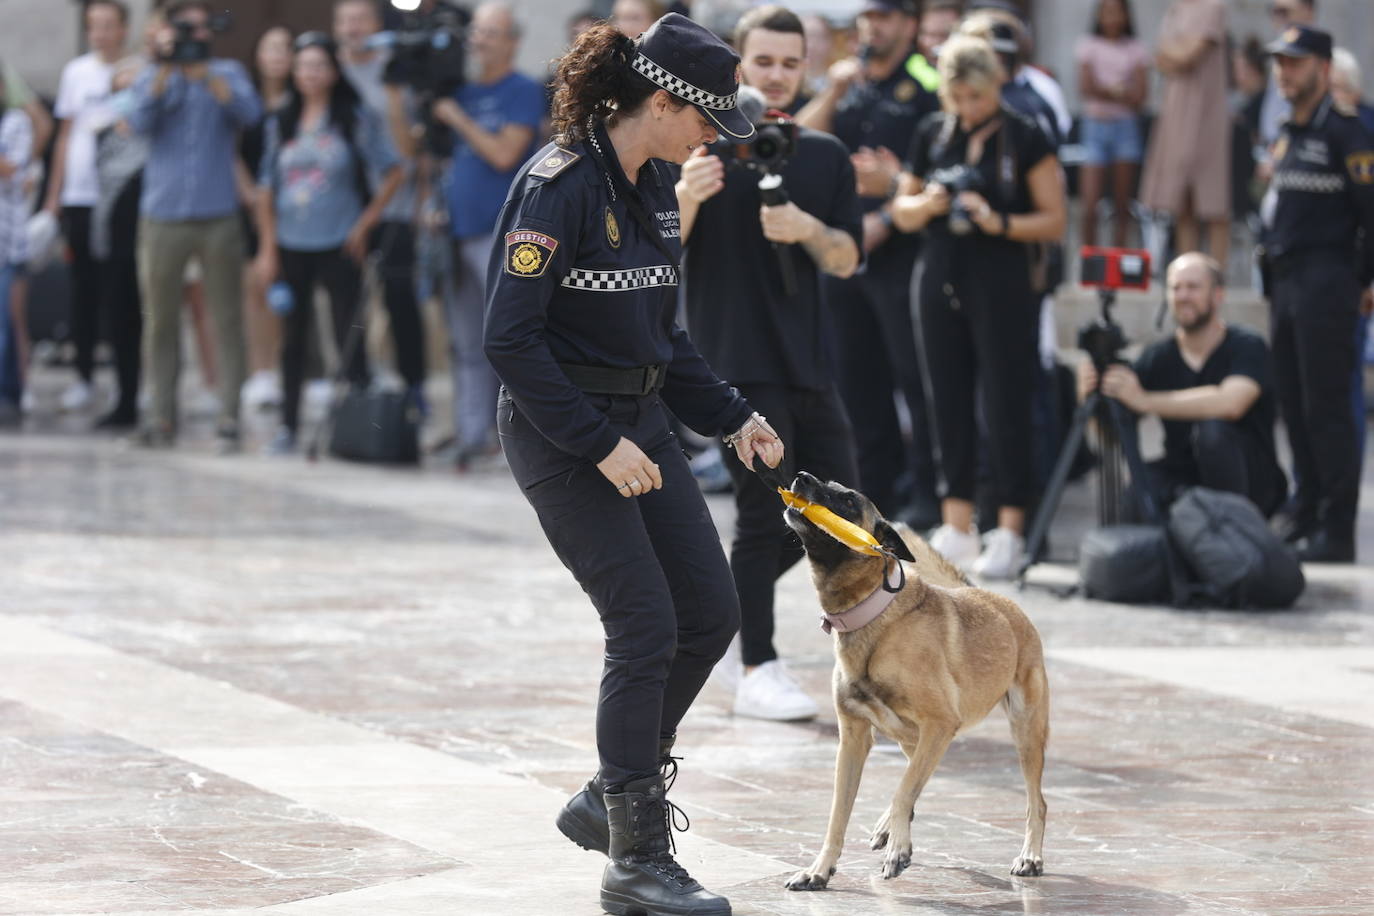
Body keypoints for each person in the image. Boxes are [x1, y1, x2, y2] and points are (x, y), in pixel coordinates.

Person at [485, 15, 782, 915]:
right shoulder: (557, 187)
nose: (711, 140)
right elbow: (508, 339)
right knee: (646, 623)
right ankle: (636, 859)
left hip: (640, 420)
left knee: (711, 611)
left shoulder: (657, 185)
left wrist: (733, 418)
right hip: (560, 430)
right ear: (661, 102)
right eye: (704, 120)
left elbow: (662, 334)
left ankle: (607, 795)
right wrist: (596, 443)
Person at [677, 5, 862, 722]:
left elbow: (847, 259)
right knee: (764, 515)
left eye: (791, 63)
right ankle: (757, 664)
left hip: (810, 361)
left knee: (843, 512)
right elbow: (658, 252)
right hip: (732, 365)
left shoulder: (824, 155)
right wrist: (687, 198)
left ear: (806, 65)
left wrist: (809, 229)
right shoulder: (700, 148)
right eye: (764, 63)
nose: (778, 76)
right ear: (739, 66)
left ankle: (723, 623)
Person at [891, 33, 1066, 578]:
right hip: (938, 275)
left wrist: (999, 221)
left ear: (996, 87)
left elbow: (1056, 219)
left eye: (978, 98)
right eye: (959, 97)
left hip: (1003, 280)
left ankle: (1010, 527)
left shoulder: (1025, 134)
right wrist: (928, 203)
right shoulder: (932, 131)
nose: (968, 108)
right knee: (943, 400)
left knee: (1006, 403)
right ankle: (957, 524)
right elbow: (901, 210)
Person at [796, 0, 943, 529]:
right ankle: (872, 495)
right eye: (866, 17)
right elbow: (795, 140)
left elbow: (940, 164)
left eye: (884, 17)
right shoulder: (848, 82)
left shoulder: (927, 83)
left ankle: (928, 495)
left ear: (908, 23)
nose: (871, 27)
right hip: (846, 256)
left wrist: (887, 210)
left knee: (915, 380)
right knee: (858, 383)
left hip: (902, 253)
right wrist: (833, 89)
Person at [254, 32, 403, 455]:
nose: (310, 73)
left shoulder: (353, 116)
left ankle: (353, 427)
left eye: (319, 65)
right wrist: (267, 248)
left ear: (334, 71)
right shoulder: (281, 119)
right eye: (303, 65)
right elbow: (265, 187)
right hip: (290, 243)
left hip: (340, 241)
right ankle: (287, 426)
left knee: (347, 335)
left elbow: (394, 172)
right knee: (293, 339)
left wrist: (363, 225)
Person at [1260, 25, 1374, 563]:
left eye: (1297, 63)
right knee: (1294, 402)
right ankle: (1306, 510)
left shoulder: (1348, 133)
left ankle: (1337, 526)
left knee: (1328, 407)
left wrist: (1366, 279)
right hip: (1285, 281)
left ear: (1324, 70)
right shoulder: (1289, 131)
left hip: (1329, 281)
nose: (1285, 72)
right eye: (1281, 62)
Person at [128, 0, 261, 450]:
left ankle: (229, 416)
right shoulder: (155, 73)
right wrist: (165, 70)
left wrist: (207, 77)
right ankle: (161, 417)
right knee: (160, 320)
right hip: (162, 214)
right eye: (186, 28)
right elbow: (138, 121)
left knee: (226, 318)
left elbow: (250, 114)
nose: (194, 36)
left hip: (217, 213)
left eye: (200, 28)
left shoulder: (228, 72)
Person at [1078, 253, 1287, 517]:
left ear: (1218, 295)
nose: (1183, 295)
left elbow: (1231, 403)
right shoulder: (1158, 356)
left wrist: (1144, 400)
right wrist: (1090, 396)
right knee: (1139, 490)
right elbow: (1112, 433)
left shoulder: (1247, 344)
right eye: (1175, 287)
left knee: (1213, 431)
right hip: (1184, 477)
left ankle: (1235, 530)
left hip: (1250, 481)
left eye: (1193, 287)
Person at [431, 2, 544, 469]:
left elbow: (504, 155)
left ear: (512, 41)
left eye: (490, 33)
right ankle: (472, 433)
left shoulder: (522, 90)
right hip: (456, 230)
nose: (478, 41)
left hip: (502, 232)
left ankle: (512, 440)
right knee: (464, 340)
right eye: (476, 32)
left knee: (505, 338)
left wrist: (455, 117)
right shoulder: (463, 90)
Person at [334, 0, 429, 409]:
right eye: (345, 21)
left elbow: (418, 142)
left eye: (361, 20)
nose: (353, 28)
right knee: (347, 300)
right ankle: (356, 386)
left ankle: (414, 387)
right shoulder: (330, 67)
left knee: (399, 298)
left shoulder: (398, 66)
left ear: (376, 24)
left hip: (398, 203)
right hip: (344, 203)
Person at [43, 0, 128, 415]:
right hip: (80, 194)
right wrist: (53, 198)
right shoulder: (76, 72)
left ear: (123, 29)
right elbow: (64, 134)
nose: (100, 33)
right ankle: (82, 375)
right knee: (83, 288)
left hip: (120, 197)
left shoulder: (134, 71)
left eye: (108, 25)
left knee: (121, 288)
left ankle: (125, 380)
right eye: (93, 26)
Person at [1140, 0, 1231, 267]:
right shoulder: (1175, 8)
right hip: (1176, 110)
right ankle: (1187, 270)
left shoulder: (1214, 7)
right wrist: (1174, 54)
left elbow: (1186, 56)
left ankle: (1217, 275)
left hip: (1207, 111)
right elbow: (1161, 57)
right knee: (1182, 200)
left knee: (1213, 198)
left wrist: (1173, 53)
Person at [89, 58, 150, 430]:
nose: (126, 97)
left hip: (150, 241)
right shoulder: (104, 135)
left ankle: (157, 402)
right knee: (120, 324)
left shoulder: (159, 137)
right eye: (119, 89)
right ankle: (125, 400)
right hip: (114, 242)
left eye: (134, 89)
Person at [239, 25, 293, 413]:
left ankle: (298, 370)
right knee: (256, 289)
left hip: (295, 211)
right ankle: (261, 372)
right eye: (269, 47)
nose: (277, 55)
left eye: (284, 48)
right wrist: (255, 201)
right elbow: (233, 155)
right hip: (251, 209)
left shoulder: (302, 102)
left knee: (292, 296)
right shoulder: (246, 103)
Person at [1076, 0, 1148, 248]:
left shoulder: (1135, 48)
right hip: (1094, 127)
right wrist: (1119, 92)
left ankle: (1117, 260)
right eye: (1106, 12)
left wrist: (1106, 91)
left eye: (1117, 12)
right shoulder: (1088, 46)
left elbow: (1140, 96)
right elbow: (1086, 88)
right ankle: (1091, 259)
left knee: (1122, 202)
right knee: (1090, 202)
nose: (1112, 18)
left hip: (1125, 128)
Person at [0, 67, 33, 424]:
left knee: (6, 320)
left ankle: (10, 392)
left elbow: (13, 169)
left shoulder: (15, 122)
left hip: (7, 239)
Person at [1257, 0, 1317, 149]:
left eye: (1285, 12)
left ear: (1308, 11)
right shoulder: (1280, 46)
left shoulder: (1317, 55)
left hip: (1300, 146)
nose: (1279, 19)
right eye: (1275, 12)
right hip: (1274, 147)